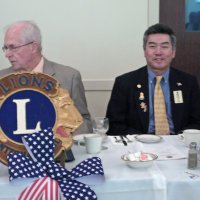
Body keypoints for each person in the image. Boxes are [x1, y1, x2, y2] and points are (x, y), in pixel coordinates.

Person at [106, 23, 200, 135]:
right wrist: (143, 139)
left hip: (178, 144)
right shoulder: (124, 83)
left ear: (173, 52)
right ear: (144, 51)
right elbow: (114, 125)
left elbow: (197, 122)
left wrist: (181, 138)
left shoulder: (188, 82)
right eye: (152, 46)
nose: (158, 52)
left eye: (164, 46)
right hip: (139, 146)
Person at [0, 20, 92, 134]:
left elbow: (85, 123)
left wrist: (62, 139)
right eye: (6, 48)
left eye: (13, 47)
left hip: (56, 150)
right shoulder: (1, 79)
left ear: (33, 47)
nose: (7, 54)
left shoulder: (69, 77)